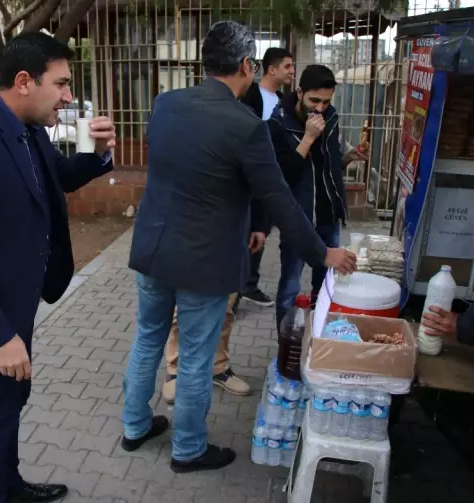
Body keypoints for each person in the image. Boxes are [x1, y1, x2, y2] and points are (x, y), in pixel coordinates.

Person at [122, 21, 356, 474]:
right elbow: (279, 199)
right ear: (247, 66)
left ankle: (134, 427)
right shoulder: (245, 125)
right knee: (194, 357)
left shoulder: (165, 104)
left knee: (147, 338)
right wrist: (321, 252)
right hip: (204, 263)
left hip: (153, 249)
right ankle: (187, 450)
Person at [0, 32, 116, 503]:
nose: (69, 96)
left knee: (12, 404)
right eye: (62, 84)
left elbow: (56, 176)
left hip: (16, 303)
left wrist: (96, 157)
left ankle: (10, 487)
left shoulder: (27, 126)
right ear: (23, 82)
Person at [265, 64, 367, 328]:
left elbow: (325, 166)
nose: (320, 108)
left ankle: (318, 339)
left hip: (327, 215)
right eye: (314, 100)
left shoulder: (330, 117)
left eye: (326, 101)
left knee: (325, 285)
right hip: (298, 220)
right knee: (290, 286)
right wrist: (308, 138)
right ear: (299, 92)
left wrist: (347, 158)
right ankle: (286, 345)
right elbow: (283, 176)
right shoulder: (278, 124)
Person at [239, 47, 295, 307]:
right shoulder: (249, 96)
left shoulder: (285, 101)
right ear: (271, 69)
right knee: (243, 233)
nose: (292, 71)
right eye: (287, 66)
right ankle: (232, 294)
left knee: (260, 231)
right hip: (248, 178)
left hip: (273, 177)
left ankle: (249, 285)